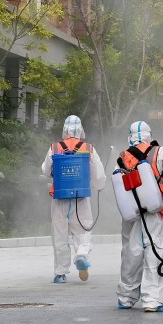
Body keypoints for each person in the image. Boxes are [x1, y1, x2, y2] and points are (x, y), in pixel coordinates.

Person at [115, 120, 163, 312]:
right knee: (156, 250)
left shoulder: (124, 156)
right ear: (150, 135)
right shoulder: (162, 152)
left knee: (131, 253)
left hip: (131, 214)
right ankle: (152, 300)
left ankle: (126, 297)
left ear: (130, 136)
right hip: (155, 212)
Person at [41, 115, 106, 284]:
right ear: (80, 130)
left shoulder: (54, 148)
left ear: (64, 130)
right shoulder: (89, 149)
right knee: (83, 229)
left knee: (60, 235)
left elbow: (46, 171)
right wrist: (99, 186)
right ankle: (82, 254)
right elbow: (98, 176)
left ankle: (60, 273)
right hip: (81, 198)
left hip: (59, 197)